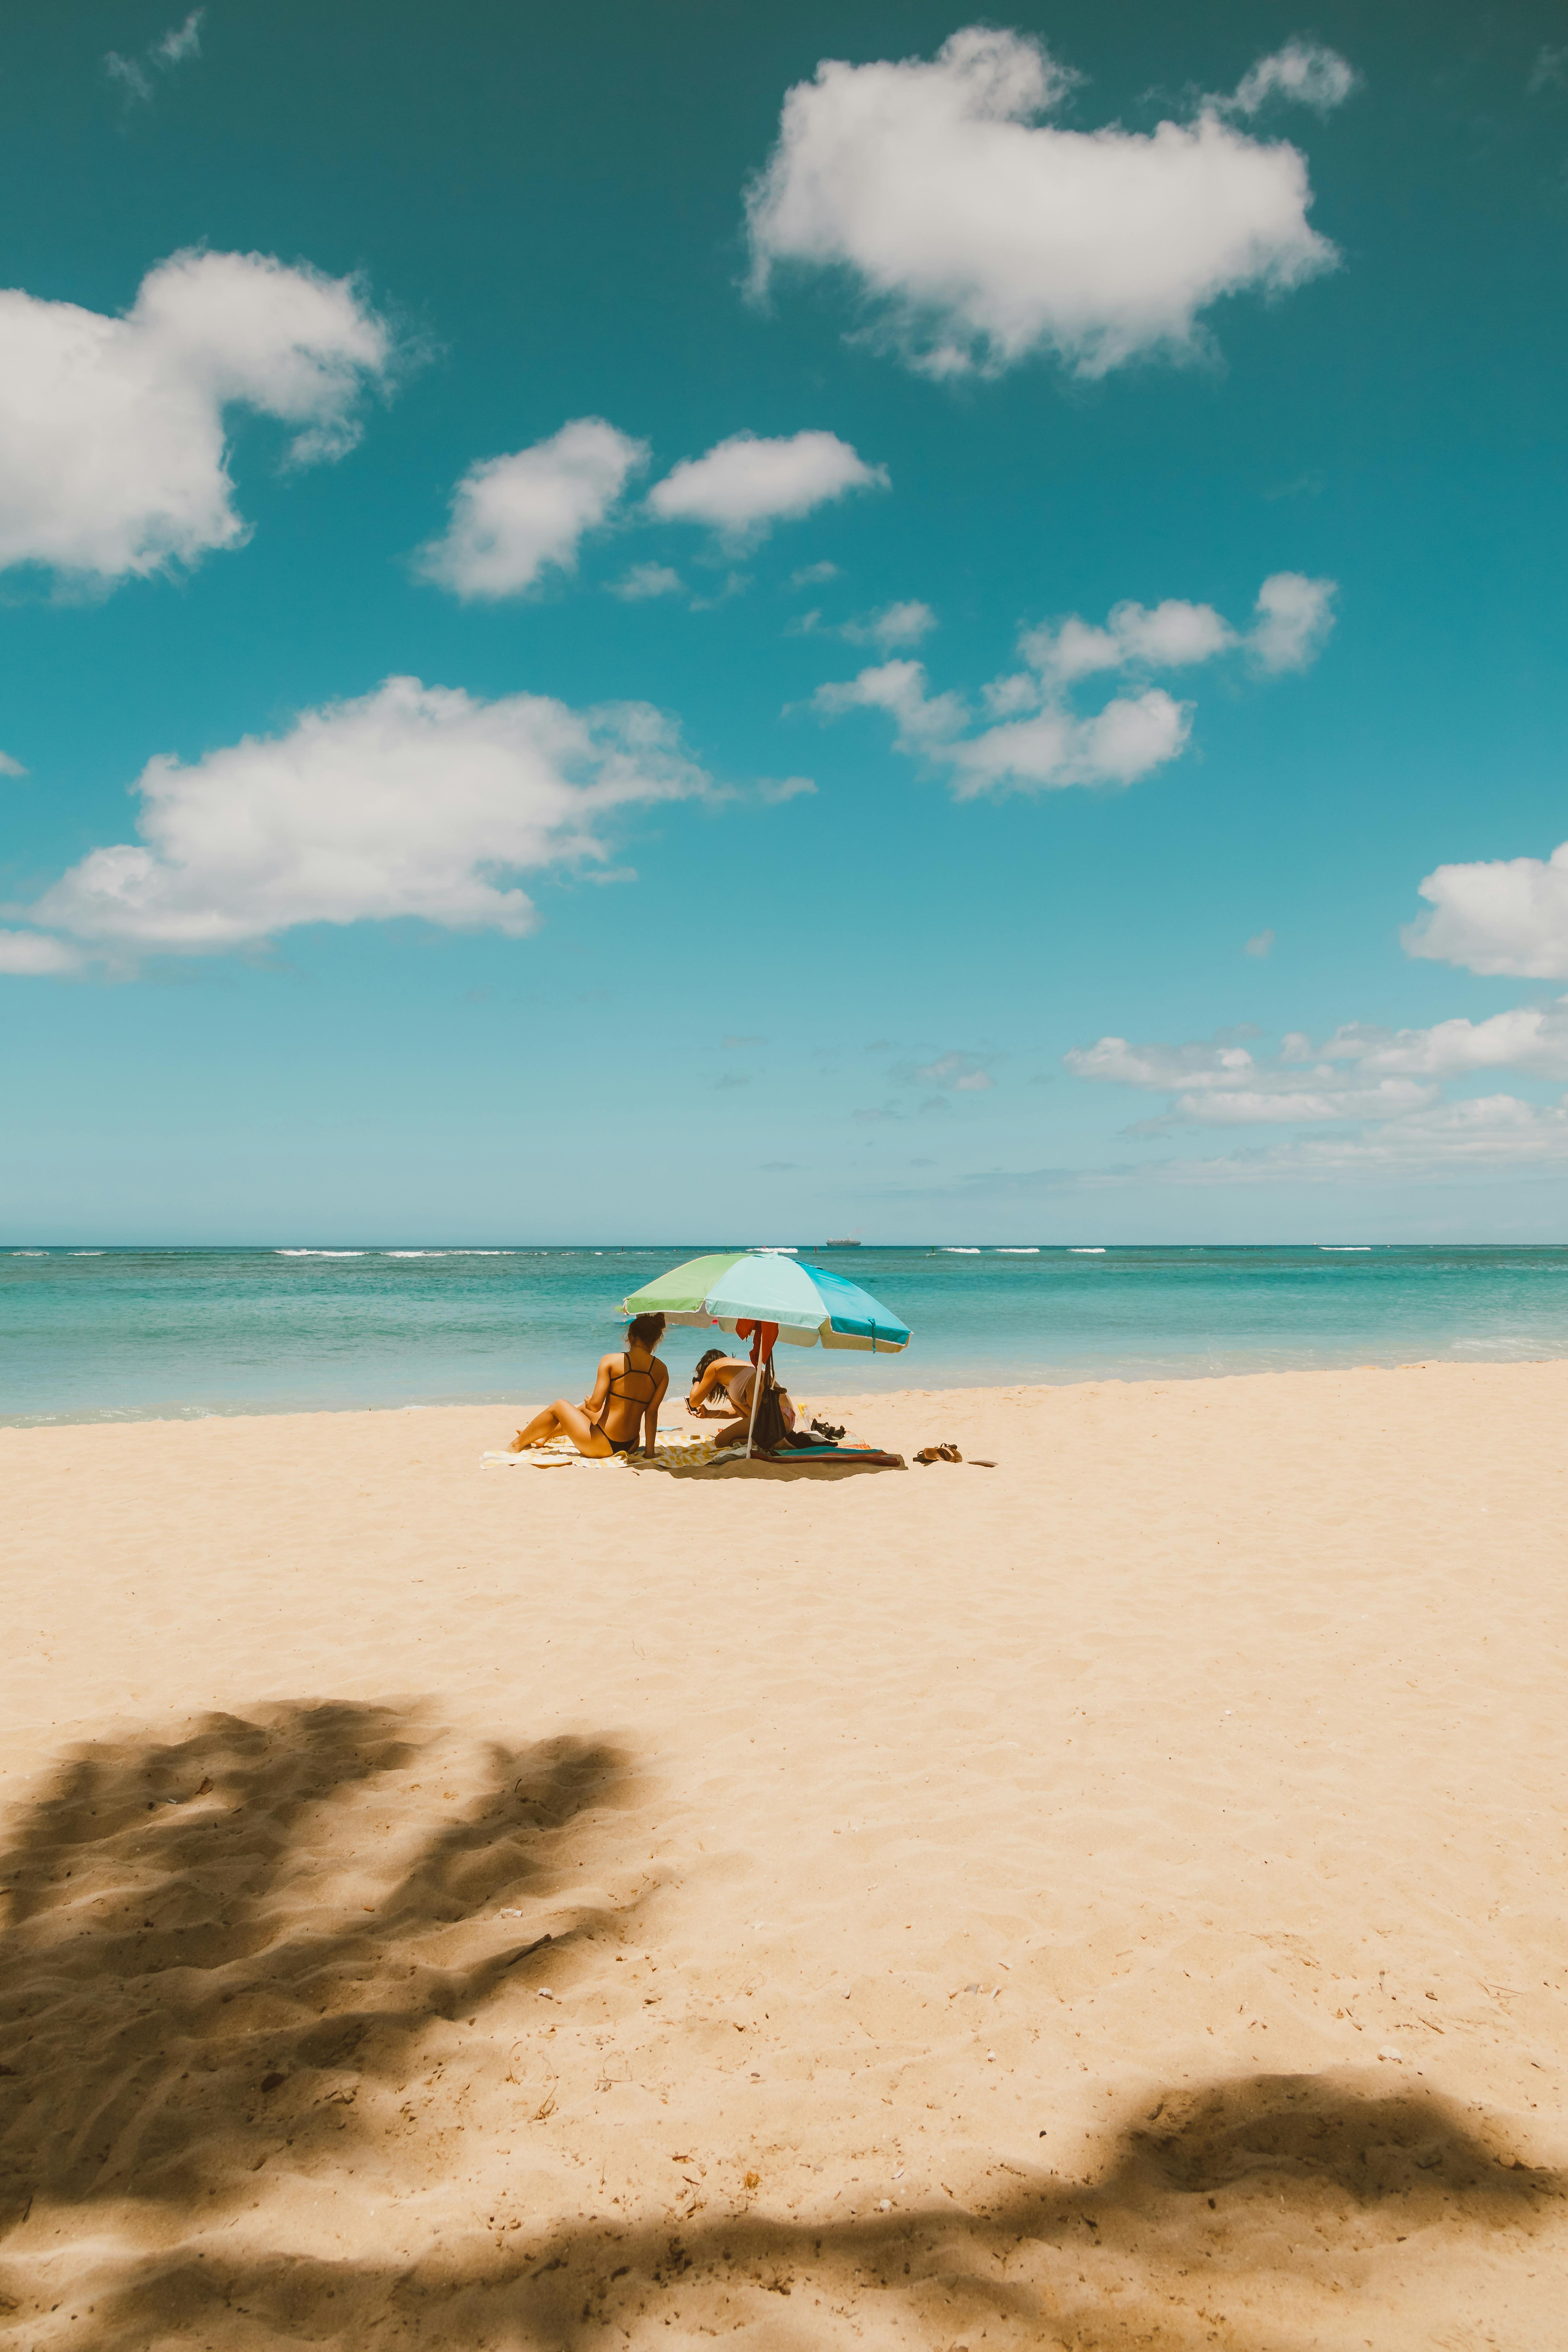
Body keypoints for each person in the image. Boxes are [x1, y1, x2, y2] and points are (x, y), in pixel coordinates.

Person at [509, 1313, 669, 1459]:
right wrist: (650, 1453)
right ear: (655, 1340)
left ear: (630, 1336)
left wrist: (590, 1402)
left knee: (560, 1406)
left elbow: (596, 1406)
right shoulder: (662, 1371)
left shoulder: (611, 1361)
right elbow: (651, 1414)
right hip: (632, 1445)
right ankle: (545, 1436)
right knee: (582, 1411)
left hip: (602, 1444)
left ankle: (516, 1445)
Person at [687, 1345, 799, 1446]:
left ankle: (776, 1443)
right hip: (786, 1417)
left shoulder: (715, 1367)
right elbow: (746, 1408)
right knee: (731, 1439)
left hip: (774, 1419)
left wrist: (697, 1380)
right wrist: (710, 1414)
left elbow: (694, 1401)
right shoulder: (740, 1369)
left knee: (721, 1441)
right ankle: (773, 1441)